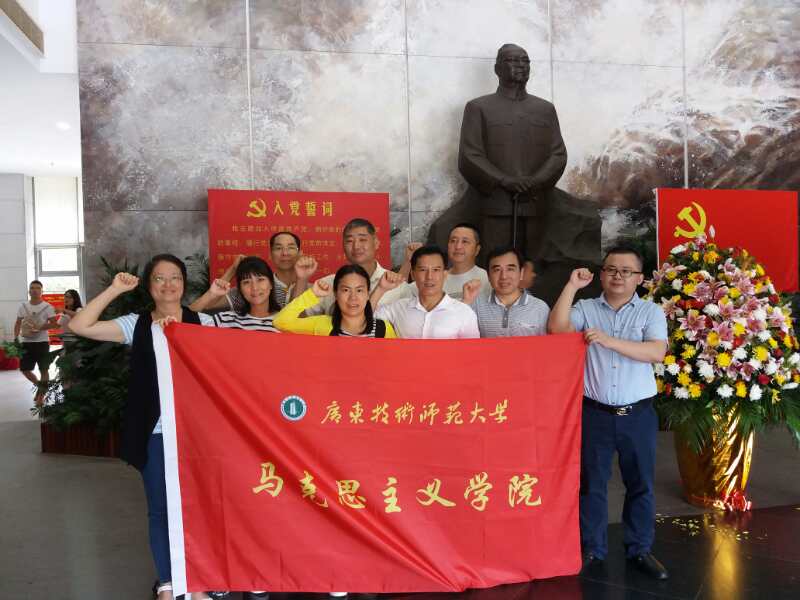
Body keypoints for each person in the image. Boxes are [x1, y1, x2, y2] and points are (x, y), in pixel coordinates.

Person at [68, 255, 219, 600]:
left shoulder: (204, 322)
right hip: (155, 432)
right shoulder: (135, 325)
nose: (168, 285)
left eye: (175, 277)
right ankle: (167, 582)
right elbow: (80, 325)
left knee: (198, 508)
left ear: (184, 282)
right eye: (159, 278)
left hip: (197, 434)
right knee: (160, 509)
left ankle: (197, 583)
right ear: (149, 286)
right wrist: (114, 289)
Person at [547, 244, 669, 580]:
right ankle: (591, 549)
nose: (618, 276)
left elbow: (656, 352)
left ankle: (639, 549)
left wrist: (609, 341)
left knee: (640, 484)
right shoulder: (587, 308)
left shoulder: (650, 312)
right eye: (611, 269)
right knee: (591, 484)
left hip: (638, 415)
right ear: (601, 274)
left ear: (640, 278)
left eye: (626, 271)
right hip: (594, 414)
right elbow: (556, 329)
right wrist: (572, 286)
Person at [457, 43, 566, 264]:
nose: (521, 65)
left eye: (525, 61)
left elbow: (558, 154)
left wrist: (536, 181)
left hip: (536, 204)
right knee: (496, 268)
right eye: (513, 60)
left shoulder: (545, 109)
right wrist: (504, 180)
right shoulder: (479, 107)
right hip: (496, 205)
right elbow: (470, 155)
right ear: (497, 68)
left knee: (534, 272)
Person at [293, 218, 414, 314]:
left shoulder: (397, 286)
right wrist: (301, 279)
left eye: (362, 240)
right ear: (343, 246)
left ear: (376, 243)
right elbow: (296, 318)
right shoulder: (328, 283)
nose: (356, 246)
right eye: (349, 241)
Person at [372, 246, 479, 339]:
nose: (429, 277)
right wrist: (380, 289)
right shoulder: (398, 308)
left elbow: (472, 352)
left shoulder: (464, 313)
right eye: (423, 270)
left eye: (436, 270)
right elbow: (365, 321)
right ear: (413, 274)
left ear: (445, 274)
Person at [274, 264, 397, 338]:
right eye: (346, 290)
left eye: (359, 290)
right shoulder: (321, 325)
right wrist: (312, 294)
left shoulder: (383, 329)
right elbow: (280, 322)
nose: (353, 297)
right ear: (336, 294)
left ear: (367, 294)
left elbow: (393, 363)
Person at [462, 247, 549, 337]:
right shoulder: (476, 305)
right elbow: (459, 335)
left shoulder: (540, 308)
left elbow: (548, 343)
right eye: (497, 270)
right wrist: (466, 303)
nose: (504, 276)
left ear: (521, 273)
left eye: (510, 269)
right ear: (488, 276)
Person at [194, 256, 281, 332]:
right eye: (246, 282)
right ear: (240, 289)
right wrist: (211, 293)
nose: (254, 288)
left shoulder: (285, 323)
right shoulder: (226, 320)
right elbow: (186, 320)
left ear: (271, 284)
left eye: (260, 280)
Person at [14, 280, 59, 406]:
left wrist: (40, 327)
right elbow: (17, 323)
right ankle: (40, 386)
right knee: (25, 370)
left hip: (42, 342)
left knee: (44, 369)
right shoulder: (23, 306)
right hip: (26, 342)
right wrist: (15, 338)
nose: (34, 290)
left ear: (41, 291)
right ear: (29, 291)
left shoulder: (48, 307)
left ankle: (41, 396)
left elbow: (55, 324)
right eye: (32, 288)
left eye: (37, 288)